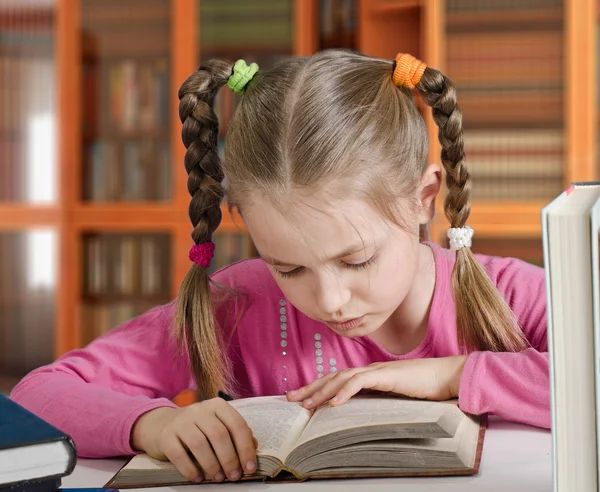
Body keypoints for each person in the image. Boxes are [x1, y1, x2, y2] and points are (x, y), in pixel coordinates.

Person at [10, 50, 549, 484]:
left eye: (356, 259)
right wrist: (154, 423)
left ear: (423, 198)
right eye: (289, 268)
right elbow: (40, 393)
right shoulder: (242, 301)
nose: (331, 299)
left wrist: (450, 375)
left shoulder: (506, 293)